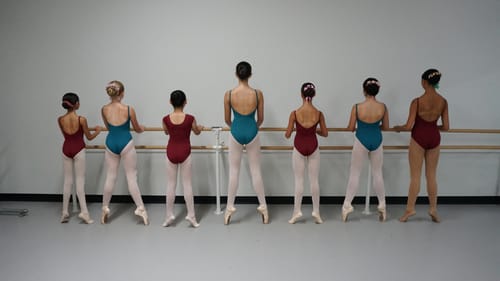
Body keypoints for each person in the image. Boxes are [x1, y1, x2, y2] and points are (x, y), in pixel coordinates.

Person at [394, 69, 449, 223]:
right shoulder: (443, 102)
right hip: (434, 138)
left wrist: (397, 128)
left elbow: (408, 126)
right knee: (431, 176)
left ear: (424, 82)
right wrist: (432, 128)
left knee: (415, 177)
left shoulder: (417, 101)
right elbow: (446, 127)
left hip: (418, 138)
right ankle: (433, 209)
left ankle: (410, 209)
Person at [223, 61, 268, 225]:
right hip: (252, 131)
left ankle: (229, 209)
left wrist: (236, 127)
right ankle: (263, 207)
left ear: (236, 74)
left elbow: (227, 119)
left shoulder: (228, 94)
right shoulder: (258, 94)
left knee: (234, 172)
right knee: (256, 171)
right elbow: (261, 119)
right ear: (250, 74)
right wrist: (251, 128)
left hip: (235, 131)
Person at [100, 80, 149, 225]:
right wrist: (143, 128)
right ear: (122, 93)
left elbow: (108, 128)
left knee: (110, 176)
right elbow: (137, 128)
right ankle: (140, 208)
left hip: (111, 142)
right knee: (131, 177)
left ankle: (104, 208)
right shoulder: (128, 109)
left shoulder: (104, 109)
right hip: (126, 142)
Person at [342, 78, 389, 222]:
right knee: (377, 173)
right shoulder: (383, 107)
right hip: (377, 139)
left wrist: (363, 127)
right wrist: (374, 127)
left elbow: (350, 128)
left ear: (364, 91)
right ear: (377, 90)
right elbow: (386, 127)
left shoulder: (357, 107)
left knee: (355, 173)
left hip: (361, 139)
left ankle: (347, 205)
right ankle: (382, 204)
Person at [285, 82, 328, 224]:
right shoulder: (319, 113)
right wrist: (313, 130)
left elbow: (287, 134)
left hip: (299, 146)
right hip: (313, 146)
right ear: (314, 95)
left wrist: (299, 129)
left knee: (299, 181)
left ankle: (297, 212)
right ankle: (316, 212)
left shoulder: (294, 113)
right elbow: (325, 133)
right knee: (314, 180)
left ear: (301, 95)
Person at [58, 93, 101, 223]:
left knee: (67, 181)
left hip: (66, 149)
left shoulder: (60, 119)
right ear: (77, 104)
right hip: (78, 149)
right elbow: (88, 137)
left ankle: (65, 212)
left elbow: (66, 135)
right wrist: (97, 131)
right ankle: (84, 213)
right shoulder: (81, 119)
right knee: (80, 181)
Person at [162, 90, 203, 228]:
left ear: (170, 102)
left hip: (171, 151)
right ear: (185, 102)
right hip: (185, 151)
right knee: (187, 185)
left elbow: (166, 131)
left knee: (170, 185)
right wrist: (200, 128)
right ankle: (191, 216)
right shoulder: (190, 118)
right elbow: (196, 132)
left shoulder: (165, 119)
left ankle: (168, 216)